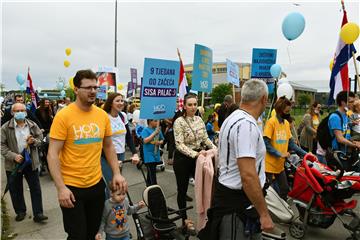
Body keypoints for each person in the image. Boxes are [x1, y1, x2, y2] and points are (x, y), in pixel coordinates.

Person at [47, 69, 127, 239]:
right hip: (72, 188)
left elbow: (108, 146)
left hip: (96, 185)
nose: (93, 91)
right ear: (76, 89)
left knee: (93, 232)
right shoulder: (63, 116)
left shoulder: (101, 115)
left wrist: (117, 173)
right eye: (88, 87)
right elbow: (52, 154)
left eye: (95, 87)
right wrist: (61, 188)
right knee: (77, 235)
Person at [199, 79, 273, 240]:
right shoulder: (245, 125)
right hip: (237, 207)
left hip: (235, 202)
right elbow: (247, 175)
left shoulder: (234, 118)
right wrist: (264, 214)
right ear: (264, 99)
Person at [173, 93, 216, 231]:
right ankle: (184, 219)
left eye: (194, 104)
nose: (192, 107)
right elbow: (179, 144)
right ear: (184, 106)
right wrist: (195, 155)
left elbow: (205, 138)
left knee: (204, 187)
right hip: (183, 159)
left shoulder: (199, 119)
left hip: (199, 158)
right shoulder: (179, 122)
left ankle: (206, 216)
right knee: (182, 190)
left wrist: (216, 149)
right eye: (189, 105)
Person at [1, 103, 48, 223]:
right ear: (12, 113)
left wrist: (34, 141)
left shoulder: (32, 125)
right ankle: (20, 211)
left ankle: (38, 213)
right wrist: (13, 156)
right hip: (14, 164)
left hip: (30, 162)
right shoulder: (5, 128)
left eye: (22, 110)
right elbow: (1, 145)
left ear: (26, 112)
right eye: (17, 111)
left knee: (35, 188)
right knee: (16, 189)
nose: (20, 112)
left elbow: (40, 139)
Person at [264, 97, 306, 200]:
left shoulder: (286, 124)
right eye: (286, 111)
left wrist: (306, 154)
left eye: (289, 111)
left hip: (280, 165)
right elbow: (265, 143)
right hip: (269, 165)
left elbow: (292, 144)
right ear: (279, 110)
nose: (288, 113)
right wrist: (279, 154)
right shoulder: (271, 122)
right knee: (268, 193)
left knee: (285, 189)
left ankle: (282, 211)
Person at [102, 93, 139, 172]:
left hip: (121, 153)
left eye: (122, 101)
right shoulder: (104, 117)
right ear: (111, 103)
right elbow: (100, 141)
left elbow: (128, 137)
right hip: (107, 155)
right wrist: (111, 159)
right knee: (111, 182)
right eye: (117, 101)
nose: (121, 103)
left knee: (118, 181)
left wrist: (134, 153)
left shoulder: (123, 116)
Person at [329, 91, 360, 170]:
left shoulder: (346, 115)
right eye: (351, 102)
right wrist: (355, 145)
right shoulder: (335, 117)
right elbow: (340, 139)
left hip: (346, 154)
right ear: (343, 102)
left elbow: (345, 130)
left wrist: (352, 124)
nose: (353, 104)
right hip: (338, 155)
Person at [141, 119, 164, 186]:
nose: (157, 123)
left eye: (157, 121)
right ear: (150, 122)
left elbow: (162, 139)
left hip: (156, 152)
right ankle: (154, 186)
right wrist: (154, 133)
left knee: (151, 170)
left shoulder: (158, 129)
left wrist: (159, 142)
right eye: (155, 121)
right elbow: (144, 141)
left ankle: (148, 185)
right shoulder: (145, 130)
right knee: (152, 171)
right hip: (148, 154)